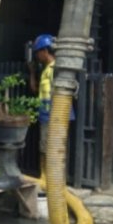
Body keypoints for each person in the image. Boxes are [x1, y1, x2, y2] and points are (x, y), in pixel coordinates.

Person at [27, 34, 75, 168]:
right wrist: (32, 72)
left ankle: (50, 176)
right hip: (46, 115)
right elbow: (35, 89)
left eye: (38, 52)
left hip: (54, 116)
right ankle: (46, 176)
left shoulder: (55, 69)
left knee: (52, 148)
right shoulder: (46, 69)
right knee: (46, 147)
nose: (37, 56)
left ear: (45, 51)